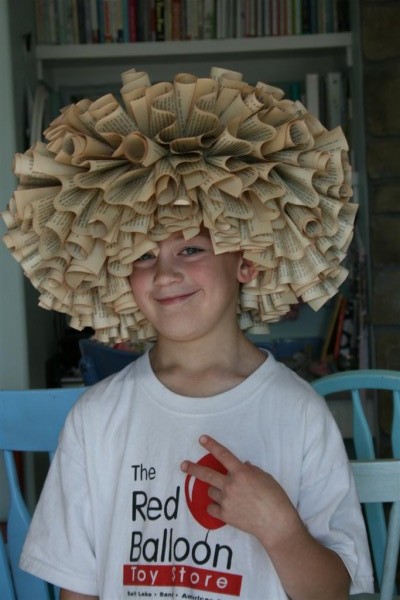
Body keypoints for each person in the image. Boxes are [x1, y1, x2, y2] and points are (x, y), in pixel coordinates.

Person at [3, 67, 373, 599]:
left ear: (245, 261)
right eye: (144, 255)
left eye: (191, 249)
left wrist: (280, 528)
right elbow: (76, 589)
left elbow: (334, 591)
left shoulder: (297, 415)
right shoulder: (97, 418)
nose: (165, 273)